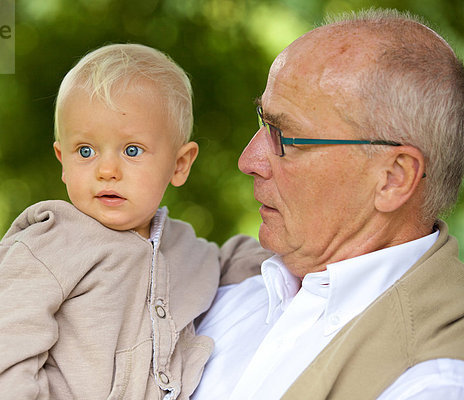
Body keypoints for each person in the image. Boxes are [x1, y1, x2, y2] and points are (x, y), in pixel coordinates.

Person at [192, 8, 464, 400]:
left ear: (393, 177)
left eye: (283, 136)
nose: (248, 161)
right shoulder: (217, 288)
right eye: (261, 122)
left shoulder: (434, 377)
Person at [0, 43, 266, 400]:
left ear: (179, 164)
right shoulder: (47, 245)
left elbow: (234, 262)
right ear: (62, 159)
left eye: (131, 150)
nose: (107, 170)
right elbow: (4, 348)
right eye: (85, 151)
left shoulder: (185, 250)